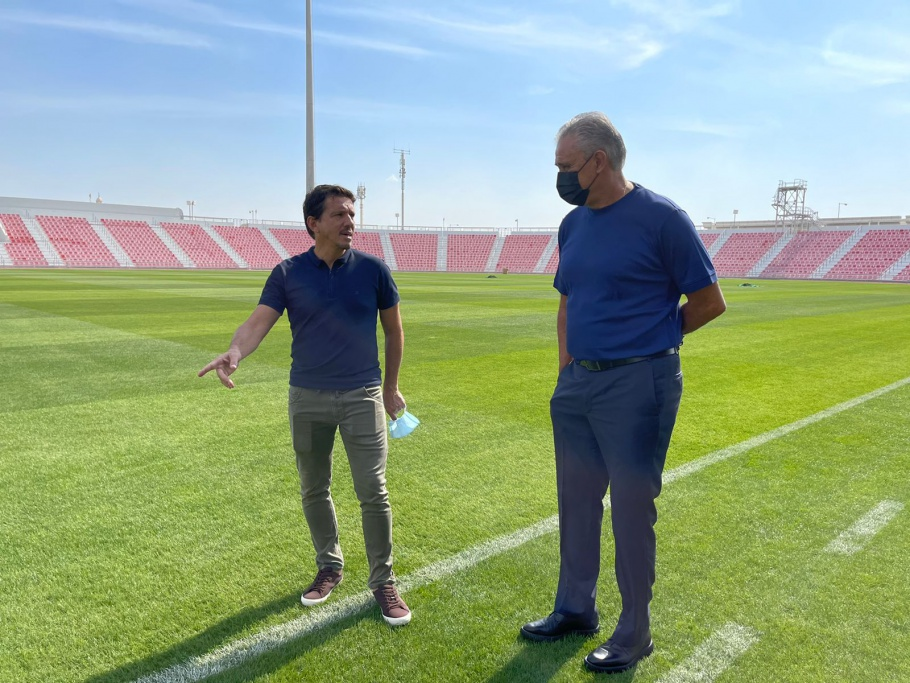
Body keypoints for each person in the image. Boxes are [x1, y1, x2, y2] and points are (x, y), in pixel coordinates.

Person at [520, 112, 726, 673]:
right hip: (578, 383)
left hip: (640, 381)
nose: (559, 177)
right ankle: (575, 608)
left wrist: (654, 338)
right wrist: (565, 370)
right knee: (577, 501)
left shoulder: (661, 219)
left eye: (565, 166)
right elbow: (567, 301)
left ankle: (635, 632)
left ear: (598, 161)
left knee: (632, 508)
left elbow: (709, 302)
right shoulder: (574, 225)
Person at [198, 184, 411, 626]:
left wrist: (390, 389)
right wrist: (235, 351)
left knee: (373, 491)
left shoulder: (374, 270)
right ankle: (330, 566)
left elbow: (393, 331)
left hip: (362, 395)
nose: (349, 222)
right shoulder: (287, 272)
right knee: (314, 488)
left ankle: (383, 582)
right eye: (339, 215)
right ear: (313, 223)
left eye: (352, 214)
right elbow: (259, 321)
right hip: (307, 396)